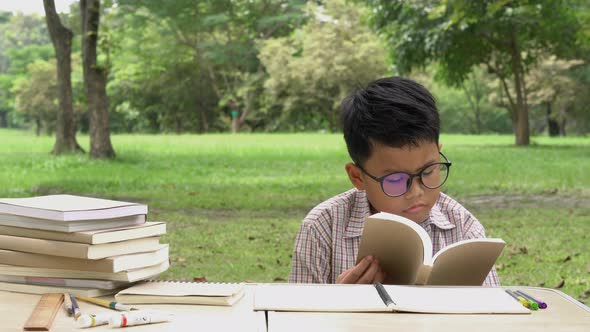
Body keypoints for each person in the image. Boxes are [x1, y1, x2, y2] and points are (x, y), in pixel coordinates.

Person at [289, 76, 499, 286]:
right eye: (396, 180)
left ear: (438, 153)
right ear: (357, 176)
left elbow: (494, 313)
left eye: (428, 171)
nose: (416, 191)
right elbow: (296, 317)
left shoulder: (463, 228)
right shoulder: (322, 229)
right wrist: (342, 303)